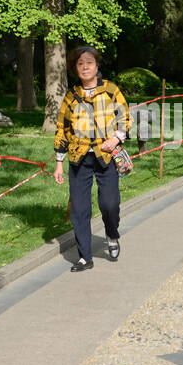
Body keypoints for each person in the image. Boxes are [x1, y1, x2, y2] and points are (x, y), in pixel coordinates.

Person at [52, 46, 130, 272]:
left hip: (105, 157)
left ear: (97, 66)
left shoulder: (111, 90)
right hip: (78, 159)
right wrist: (59, 162)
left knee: (110, 204)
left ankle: (112, 234)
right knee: (80, 210)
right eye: (80, 64)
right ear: (75, 69)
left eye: (89, 63)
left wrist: (116, 138)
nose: (85, 67)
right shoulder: (71, 96)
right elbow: (62, 128)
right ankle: (85, 256)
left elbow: (125, 117)